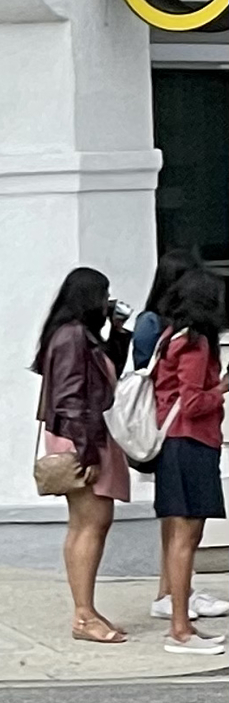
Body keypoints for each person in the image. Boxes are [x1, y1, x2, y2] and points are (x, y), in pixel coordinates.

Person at [35, 268, 134, 643]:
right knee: (91, 523)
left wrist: (118, 332)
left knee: (86, 524)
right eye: (104, 293)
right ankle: (82, 615)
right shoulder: (73, 336)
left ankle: (87, 610)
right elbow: (71, 398)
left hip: (80, 436)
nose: (107, 299)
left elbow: (104, 378)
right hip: (81, 438)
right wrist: (88, 451)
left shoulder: (77, 335)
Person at [131, 251, 229, 619]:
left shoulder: (170, 334)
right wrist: (221, 389)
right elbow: (191, 402)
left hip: (173, 439)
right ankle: (179, 618)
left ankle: (175, 602)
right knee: (187, 534)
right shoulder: (194, 343)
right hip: (190, 440)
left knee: (179, 531)